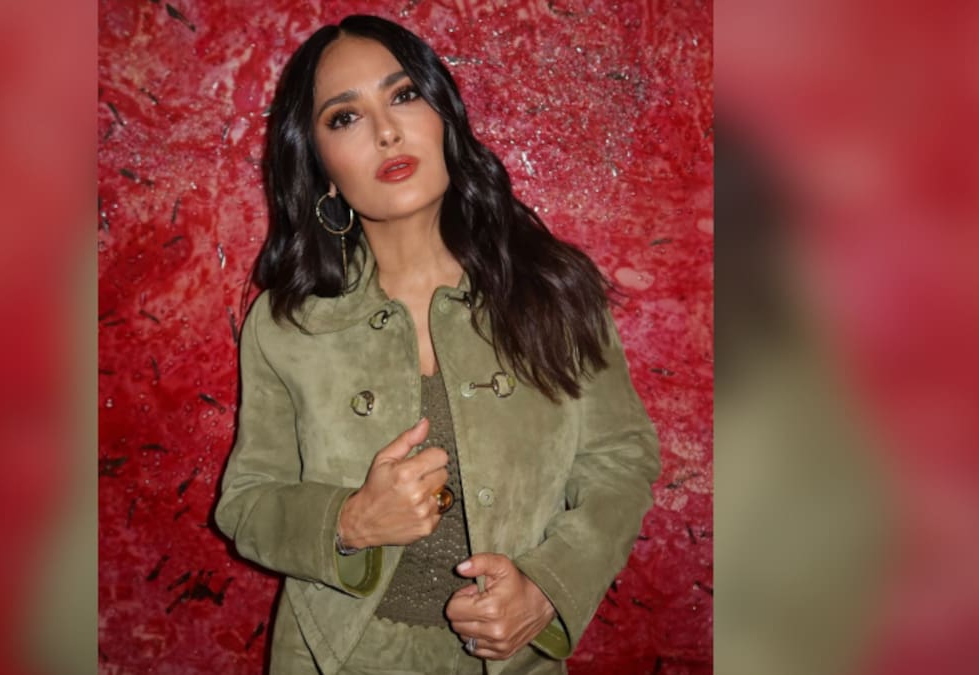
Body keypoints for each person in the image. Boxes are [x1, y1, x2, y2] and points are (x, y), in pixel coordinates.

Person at [214, 15, 660, 675]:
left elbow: (621, 460)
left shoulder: (552, 289)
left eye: (403, 95)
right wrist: (350, 521)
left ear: (444, 117)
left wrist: (548, 588)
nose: (386, 131)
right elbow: (247, 501)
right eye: (345, 117)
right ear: (320, 165)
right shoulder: (287, 325)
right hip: (332, 660)